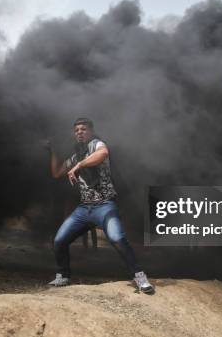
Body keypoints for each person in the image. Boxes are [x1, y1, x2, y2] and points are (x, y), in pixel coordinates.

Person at [45, 117, 154, 293]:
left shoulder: (97, 144)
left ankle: (140, 278)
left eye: (83, 129)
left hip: (104, 206)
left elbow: (103, 154)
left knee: (117, 239)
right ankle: (63, 276)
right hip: (84, 209)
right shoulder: (76, 156)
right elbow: (57, 173)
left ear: (91, 131)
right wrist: (53, 151)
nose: (79, 132)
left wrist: (79, 165)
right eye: (76, 130)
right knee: (59, 240)